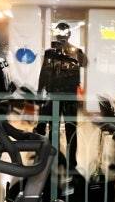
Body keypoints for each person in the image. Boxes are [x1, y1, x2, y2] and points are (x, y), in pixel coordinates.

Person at [35, 22, 87, 170]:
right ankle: (54, 157)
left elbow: (84, 63)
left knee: (71, 129)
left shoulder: (76, 51)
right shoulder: (50, 52)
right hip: (53, 95)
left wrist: (71, 51)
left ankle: (72, 163)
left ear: (69, 35)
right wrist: (39, 91)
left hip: (70, 96)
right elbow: (44, 72)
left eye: (64, 34)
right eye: (60, 34)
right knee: (54, 128)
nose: (62, 37)